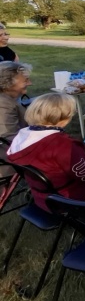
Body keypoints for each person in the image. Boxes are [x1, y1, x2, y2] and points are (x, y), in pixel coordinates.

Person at [7, 93, 85, 212]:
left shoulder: (21, 137)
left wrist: (79, 152)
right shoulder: (62, 145)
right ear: (64, 119)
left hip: (42, 196)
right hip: (71, 198)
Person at [0, 62, 31, 200]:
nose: (29, 83)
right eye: (25, 80)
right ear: (8, 83)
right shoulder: (3, 104)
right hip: (6, 159)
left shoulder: (7, 99)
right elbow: (8, 137)